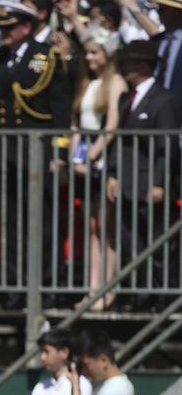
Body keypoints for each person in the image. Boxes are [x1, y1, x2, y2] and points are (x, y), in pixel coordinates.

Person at [0, 1, 72, 301]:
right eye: (1, 28)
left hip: (39, 149)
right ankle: (17, 286)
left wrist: (59, 151)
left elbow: (60, 107)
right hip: (10, 149)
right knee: (11, 219)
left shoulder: (46, 56)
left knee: (43, 219)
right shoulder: (0, 56)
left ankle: (48, 286)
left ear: (25, 27)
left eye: (9, 28)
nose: (3, 34)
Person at [106, 40, 182, 308]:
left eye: (128, 63)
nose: (124, 68)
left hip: (150, 183)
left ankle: (160, 297)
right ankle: (137, 294)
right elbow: (120, 141)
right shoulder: (128, 99)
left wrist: (161, 182)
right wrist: (113, 174)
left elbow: (168, 147)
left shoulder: (165, 101)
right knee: (131, 242)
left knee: (157, 244)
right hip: (128, 183)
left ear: (141, 65)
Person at [70, 30, 126, 311]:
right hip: (86, 158)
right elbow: (78, 123)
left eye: (95, 52)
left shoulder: (115, 82)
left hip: (103, 158)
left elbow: (112, 124)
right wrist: (74, 154)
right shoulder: (87, 82)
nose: (90, 57)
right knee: (92, 226)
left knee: (107, 226)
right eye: (88, 52)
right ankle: (93, 288)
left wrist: (91, 156)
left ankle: (108, 287)